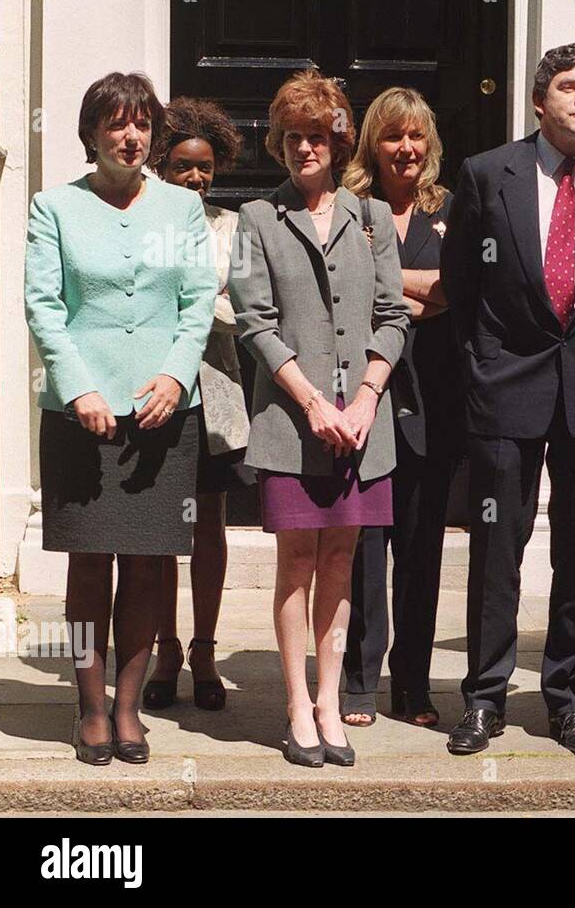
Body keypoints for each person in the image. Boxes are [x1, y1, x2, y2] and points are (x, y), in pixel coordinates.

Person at [439, 42, 575, 757]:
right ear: (540, 100)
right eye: (569, 87)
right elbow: (460, 282)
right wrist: (481, 364)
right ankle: (485, 698)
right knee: (499, 547)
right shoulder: (486, 173)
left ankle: (568, 699)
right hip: (507, 387)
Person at [25, 72, 216, 764]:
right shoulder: (55, 209)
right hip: (82, 416)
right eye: (116, 124)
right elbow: (44, 307)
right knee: (87, 567)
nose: (131, 137)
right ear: (91, 134)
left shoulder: (182, 211)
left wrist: (174, 375)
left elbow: (198, 302)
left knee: (146, 565)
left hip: (165, 413)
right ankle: (88, 708)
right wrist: (79, 390)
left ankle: (129, 709)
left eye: (142, 125)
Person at [230, 70, 410, 767]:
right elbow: (255, 322)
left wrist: (364, 397)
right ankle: (297, 707)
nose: (306, 148)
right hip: (289, 423)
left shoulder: (370, 220)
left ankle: (333, 699)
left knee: (344, 559)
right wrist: (312, 402)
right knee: (296, 564)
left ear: (338, 142)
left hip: (365, 429)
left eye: (318, 136)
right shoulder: (257, 220)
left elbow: (394, 315)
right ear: (278, 144)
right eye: (292, 137)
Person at [339, 87, 460, 728]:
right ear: (372, 144)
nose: (406, 149)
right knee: (363, 549)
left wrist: (386, 287)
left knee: (421, 551)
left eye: (416, 137)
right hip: (362, 398)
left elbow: (459, 287)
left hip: (434, 401)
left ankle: (412, 685)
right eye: (393, 137)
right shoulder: (347, 209)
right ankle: (359, 682)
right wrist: (416, 298)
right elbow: (341, 292)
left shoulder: (453, 212)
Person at [143, 96, 252, 713]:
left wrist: (190, 309)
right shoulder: (144, 220)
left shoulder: (231, 227)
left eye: (205, 166)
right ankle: (165, 650)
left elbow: (245, 309)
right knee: (160, 529)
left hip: (215, 392)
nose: (196, 177)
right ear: (161, 164)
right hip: (157, 389)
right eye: (183, 165)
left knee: (209, 521)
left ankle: (205, 651)